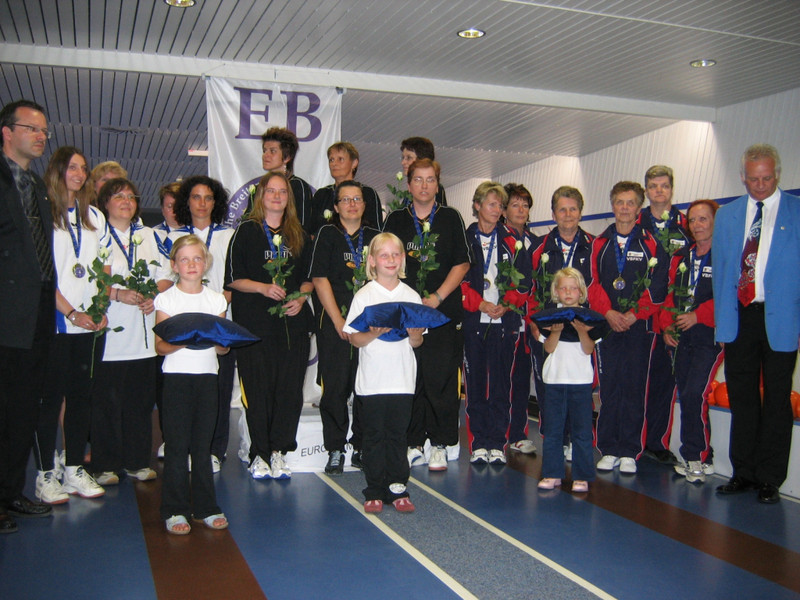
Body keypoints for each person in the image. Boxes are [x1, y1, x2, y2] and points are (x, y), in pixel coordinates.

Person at [713, 144, 800, 505]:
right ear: (742, 177)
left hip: (783, 317)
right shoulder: (727, 216)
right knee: (742, 396)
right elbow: (721, 272)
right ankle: (743, 472)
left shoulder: (796, 211)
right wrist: (722, 323)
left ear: (777, 174)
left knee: (778, 399)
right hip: (740, 316)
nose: (760, 185)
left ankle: (770, 478)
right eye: (753, 179)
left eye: (766, 178)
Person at [226, 170, 314, 480]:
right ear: (260, 197)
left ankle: (279, 451)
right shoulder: (246, 231)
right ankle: (260, 453)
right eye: (271, 191)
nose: (277, 196)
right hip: (255, 324)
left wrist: (301, 298)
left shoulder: (298, 234)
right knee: (259, 389)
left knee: (289, 390)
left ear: (289, 199)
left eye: (282, 192)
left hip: (292, 324)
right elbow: (233, 279)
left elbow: (308, 279)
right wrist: (263, 288)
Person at [384, 158, 471, 471]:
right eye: (418, 179)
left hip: (442, 313)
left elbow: (462, 263)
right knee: (411, 379)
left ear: (438, 184)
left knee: (441, 381)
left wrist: (437, 297)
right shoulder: (396, 219)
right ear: (409, 185)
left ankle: (440, 444)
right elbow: (385, 263)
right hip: (407, 315)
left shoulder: (450, 217)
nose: (424, 185)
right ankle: (413, 442)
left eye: (430, 179)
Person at [33, 146, 108, 504]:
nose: (79, 174)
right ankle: (45, 474)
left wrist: (100, 305)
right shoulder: (42, 211)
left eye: (83, 168)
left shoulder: (93, 215)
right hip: (56, 321)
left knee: (81, 398)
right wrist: (71, 312)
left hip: (88, 324)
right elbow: (41, 273)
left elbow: (101, 268)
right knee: (50, 400)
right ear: (57, 170)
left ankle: (75, 466)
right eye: (72, 167)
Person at [91, 178, 172, 486]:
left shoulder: (149, 235)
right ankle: (105, 465)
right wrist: (116, 294)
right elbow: (89, 280)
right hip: (109, 334)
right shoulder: (96, 236)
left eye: (130, 196)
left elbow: (167, 273)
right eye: (118, 196)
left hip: (143, 336)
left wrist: (154, 294)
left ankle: (137, 461)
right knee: (106, 404)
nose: (126, 201)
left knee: (139, 403)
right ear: (105, 203)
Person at [0, 99, 57, 533]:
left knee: (22, 409)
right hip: (5, 313)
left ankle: (10, 492)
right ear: (7, 132)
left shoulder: (36, 185)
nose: (41, 137)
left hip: (36, 313)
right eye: (32, 129)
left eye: (44, 131)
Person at [588, 181, 666, 475]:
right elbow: (591, 283)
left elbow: (658, 286)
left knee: (634, 387)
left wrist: (635, 315)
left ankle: (630, 450)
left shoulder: (652, 244)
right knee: (609, 387)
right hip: (607, 325)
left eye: (630, 202)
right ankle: (608, 448)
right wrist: (608, 312)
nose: (624, 208)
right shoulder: (600, 243)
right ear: (612, 206)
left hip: (638, 327)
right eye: (619, 202)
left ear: (638, 208)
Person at [343, 233, 424, 513]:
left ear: (402, 259)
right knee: (374, 436)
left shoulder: (411, 296)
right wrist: (373, 333)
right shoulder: (364, 296)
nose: (390, 259)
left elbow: (417, 342)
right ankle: (375, 488)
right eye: (384, 255)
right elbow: (354, 339)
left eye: (395, 254)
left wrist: (415, 335)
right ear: (372, 261)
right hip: (372, 383)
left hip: (402, 381)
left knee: (398, 435)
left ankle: (398, 487)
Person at [154, 235, 229, 534]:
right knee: (176, 446)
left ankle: (206, 507)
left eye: (197, 258)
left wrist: (220, 342)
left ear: (206, 263)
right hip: (176, 381)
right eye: (184, 259)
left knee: (202, 446)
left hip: (207, 379)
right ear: (174, 265)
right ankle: (174, 509)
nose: (191, 264)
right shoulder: (166, 300)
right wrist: (187, 339)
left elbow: (222, 349)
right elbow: (160, 347)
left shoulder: (216, 300)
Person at [309, 180, 380, 474]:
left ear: (365, 205)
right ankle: (336, 449)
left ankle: (361, 446)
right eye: (346, 200)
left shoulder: (375, 237)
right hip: (334, 322)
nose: (352, 204)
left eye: (357, 199)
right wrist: (339, 321)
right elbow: (319, 278)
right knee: (335, 388)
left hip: (369, 326)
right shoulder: (327, 234)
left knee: (365, 386)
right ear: (336, 207)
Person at [169, 176, 235, 473]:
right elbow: (166, 280)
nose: (202, 203)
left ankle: (214, 450)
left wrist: (216, 304)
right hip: (183, 325)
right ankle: (184, 448)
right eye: (196, 197)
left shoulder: (229, 235)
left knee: (218, 391)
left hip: (220, 319)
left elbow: (235, 279)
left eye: (208, 198)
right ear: (187, 202)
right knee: (184, 392)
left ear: (216, 203)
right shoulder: (173, 237)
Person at [461, 182, 529, 465]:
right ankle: (479, 442)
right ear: (477, 206)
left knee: (501, 385)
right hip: (475, 321)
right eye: (491, 204)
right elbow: (459, 280)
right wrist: (480, 304)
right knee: (476, 384)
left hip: (504, 322)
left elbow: (524, 282)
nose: (497, 209)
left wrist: (507, 303)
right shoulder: (465, 239)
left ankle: (497, 442)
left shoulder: (513, 240)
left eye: (500, 205)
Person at [659, 200, 722, 483]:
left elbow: (730, 294)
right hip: (682, 339)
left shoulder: (725, 255)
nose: (697, 225)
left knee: (695, 393)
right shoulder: (682, 257)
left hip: (709, 338)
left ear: (715, 222)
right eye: (693, 220)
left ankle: (694, 457)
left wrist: (699, 315)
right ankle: (705, 456)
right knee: (687, 395)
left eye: (703, 219)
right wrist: (666, 326)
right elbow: (669, 295)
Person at [530, 186, 594, 458]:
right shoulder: (538, 247)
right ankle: (555, 441)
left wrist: (593, 325)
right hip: (549, 330)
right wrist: (534, 322)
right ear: (553, 213)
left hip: (581, 331)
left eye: (573, 209)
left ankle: (577, 441)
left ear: (580, 212)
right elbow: (529, 289)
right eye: (562, 209)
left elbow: (598, 289)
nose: (568, 215)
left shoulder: (594, 245)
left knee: (579, 387)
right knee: (549, 387)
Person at [639, 165, 690, 465]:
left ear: (671, 188)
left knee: (664, 383)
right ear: (646, 190)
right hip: (640, 315)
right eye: (653, 186)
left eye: (664, 185)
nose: (659, 191)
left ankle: (657, 442)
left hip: (673, 318)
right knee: (636, 381)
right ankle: (632, 438)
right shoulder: (635, 222)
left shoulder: (686, 226)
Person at [537, 268, 606, 493]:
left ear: (581, 292)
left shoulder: (589, 318)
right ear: (556, 292)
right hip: (554, 380)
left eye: (573, 288)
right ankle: (552, 473)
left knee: (582, 431)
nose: (568, 292)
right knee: (553, 430)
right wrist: (556, 332)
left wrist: (583, 331)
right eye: (563, 288)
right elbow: (548, 348)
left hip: (580, 381)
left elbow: (588, 349)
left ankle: (582, 476)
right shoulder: (550, 317)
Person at [501, 183, 537, 454]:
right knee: (502, 379)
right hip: (503, 320)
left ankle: (517, 433)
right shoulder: (497, 239)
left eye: (525, 205)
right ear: (504, 211)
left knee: (522, 381)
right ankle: (497, 432)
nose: (521, 210)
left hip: (531, 324)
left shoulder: (538, 243)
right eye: (515, 205)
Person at [309, 142, 383, 234]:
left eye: (340, 159)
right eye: (331, 160)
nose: (334, 164)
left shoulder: (368, 193)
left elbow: (376, 233)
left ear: (354, 163)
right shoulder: (321, 195)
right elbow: (312, 233)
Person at [260, 126, 314, 232]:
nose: (266, 155)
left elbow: (303, 227)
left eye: (272, 151)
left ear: (287, 157)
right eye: (264, 150)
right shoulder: (259, 187)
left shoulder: (298, 186)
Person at [400, 137, 447, 206]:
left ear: (422, 160)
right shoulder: (409, 193)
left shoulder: (433, 188)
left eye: (409, 158)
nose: (403, 162)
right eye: (403, 158)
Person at [153, 181, 181, 260]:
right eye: (170, 206)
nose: (175, 210)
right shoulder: (153, 235)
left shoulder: (198, 233)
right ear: (162, 210)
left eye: (179, 205)